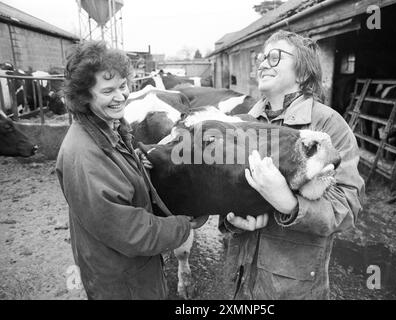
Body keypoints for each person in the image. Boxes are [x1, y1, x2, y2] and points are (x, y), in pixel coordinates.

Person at [220, 30, 365, 299]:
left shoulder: (328, 126)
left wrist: (291, 204)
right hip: (240, 280)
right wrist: (231, 219)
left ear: (302, 72)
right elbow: (227, 185)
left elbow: (347, 207)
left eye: (274, 57)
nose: (262, 63)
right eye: (262, 58)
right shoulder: (243, 125)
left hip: (290, 287)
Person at [56, 41, 200, 300]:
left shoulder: (106, 129)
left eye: (122, 86)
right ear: (84, 96)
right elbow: (131, 232)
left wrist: (133, 164)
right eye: (108, 90)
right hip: (121, 282)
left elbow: (114, 181)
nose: (121, 96)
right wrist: (181, 226)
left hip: (130, 271)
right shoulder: (84, 154)